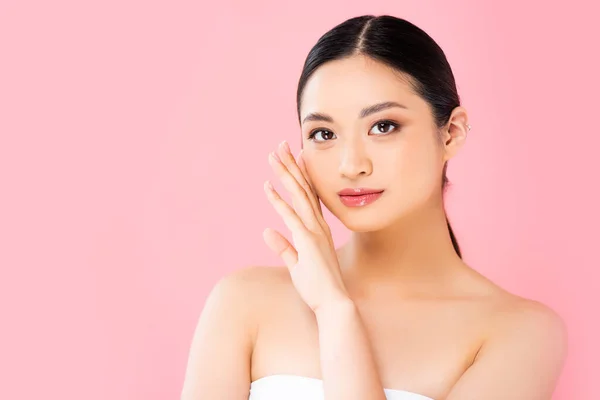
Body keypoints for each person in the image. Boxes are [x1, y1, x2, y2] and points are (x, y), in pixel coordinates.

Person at [180, 14, 567, 400]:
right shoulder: (244, 302)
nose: (351, 165)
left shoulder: (519, 333)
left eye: (383, 126)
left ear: (451, 132)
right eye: (324, 134)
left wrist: (334, 311)